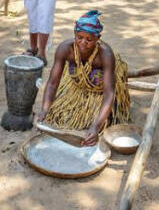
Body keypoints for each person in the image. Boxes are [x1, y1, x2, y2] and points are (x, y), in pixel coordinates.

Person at [36, 10, 131, 146]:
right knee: (58, 116)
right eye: (79, 37)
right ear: (74, 34)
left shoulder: (105, 55)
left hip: (100, 92)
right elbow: (52, 83)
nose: (83, 43)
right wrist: (44, 110)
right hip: (78, 87)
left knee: (102, 123)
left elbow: (109, 93)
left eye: (89, 39)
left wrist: (96, 126)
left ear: (98, 39)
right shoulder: (65, 49)